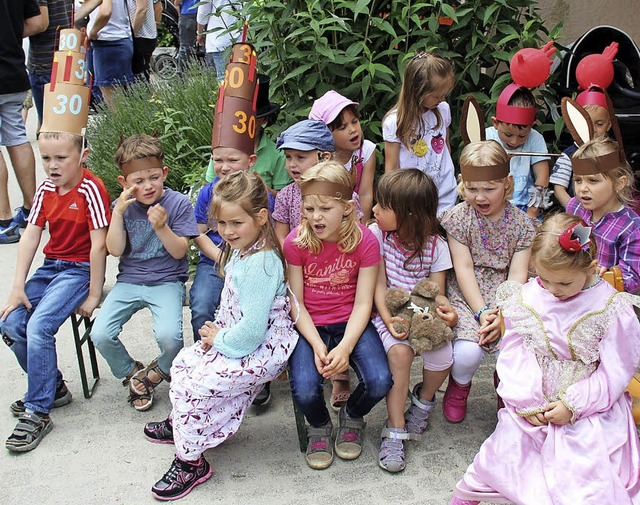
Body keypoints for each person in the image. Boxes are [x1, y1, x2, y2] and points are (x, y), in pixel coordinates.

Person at [450, 213, 640, 505]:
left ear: (590, 267)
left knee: (584, 474)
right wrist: (526, 399)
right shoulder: (528, 297)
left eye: (563, 283)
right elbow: (515, 351)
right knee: (504, 452)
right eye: (544, 279)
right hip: (532, 401)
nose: (553, 290)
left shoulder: (611, 308)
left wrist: (573, 404)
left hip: (590, 409)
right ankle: (471, 495)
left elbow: (616, 372)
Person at [143, 171, 298, 500]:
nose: (227, 232)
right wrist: (219, 336)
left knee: (199, 384)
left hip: (260, 349)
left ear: (260, 217)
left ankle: (190, 462)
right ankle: (182, 425)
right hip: (236, 337)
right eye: (221, 224)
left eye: (235, 223)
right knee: (185, 364)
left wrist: (218, 340)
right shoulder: (245, 248)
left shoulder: (261, 264)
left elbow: (253, 332)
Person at [0, 131, 111, 452]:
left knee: (39, 326)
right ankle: (54, 387)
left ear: (83, 155)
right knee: (9, 322)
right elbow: (31, 236)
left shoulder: (91, 188)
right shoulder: (46, 188)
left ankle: (38, 411)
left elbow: (99, 245)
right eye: (46, 158)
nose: (52, 165)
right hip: (51, 267)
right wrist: (17, 288)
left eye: (60, 157)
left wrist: (93, 294)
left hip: (79, 270)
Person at [285, 161, 393, 470]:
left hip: (350, 321)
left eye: (324, 209)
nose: (315, 217)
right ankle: (319, 424)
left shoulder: (365, 242)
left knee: (379, 381)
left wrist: (344, 347)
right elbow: (296, 302)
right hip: (310, 325)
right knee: (304, 388)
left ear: (346, 207)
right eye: (309, 209)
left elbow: (363, 304)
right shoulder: (296, 242)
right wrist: (319, 345)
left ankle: (353, 416)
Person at [90, 134, 199, 412]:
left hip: (166, 281)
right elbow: (114, 250)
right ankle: (132, 373)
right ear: (124, 183)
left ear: (164, 173)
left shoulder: (176, 204)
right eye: (138, 181)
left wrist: (162, 227)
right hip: (129, 280)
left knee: (170, 337)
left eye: (153, 177)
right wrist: (117, 214)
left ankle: (157, 372)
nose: (147, 186)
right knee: (100, 333)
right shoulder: (121, 208)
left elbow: (178, 253)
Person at [440, 140, 536, 424]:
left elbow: (518, 275)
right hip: (467, 293)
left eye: (489, 188)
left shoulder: (522, 225)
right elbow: (463, 267)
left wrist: (501, 313)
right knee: (468, 351)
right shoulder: (458, 219)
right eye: (472, 188)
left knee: (511, 346)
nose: (480, 197)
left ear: (507, 184)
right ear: (462, 183)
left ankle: (505, 388)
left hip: (507, 294)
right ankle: (458, 388)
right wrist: (482, 312)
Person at [371, 169, 457, 473]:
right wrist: (390, 320)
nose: (374, 210)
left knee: (445, 355)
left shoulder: (436, 245)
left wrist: (446, 312)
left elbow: (438, 293)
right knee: (400, 354)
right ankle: (394, 428)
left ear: (408, 214)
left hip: (422, 313)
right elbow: (378, 288)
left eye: (382, 206)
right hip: (388, 312)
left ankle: (423, 400)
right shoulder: (376, 235)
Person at [382, 52, 456, 216]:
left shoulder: (443, 110)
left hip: (444, 193)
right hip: (413, 199)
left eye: (444, 94)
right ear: (417, 91)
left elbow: (446, 148)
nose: (442, 98)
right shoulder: (394, 122)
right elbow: (392, 168)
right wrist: (391, 204)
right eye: (437, 95)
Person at [566, 137, 640, 293]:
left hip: (607, 301)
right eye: (578, 180)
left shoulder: (631, 227)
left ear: (619, 183)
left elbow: (632, 278)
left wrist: (607, 276)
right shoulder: (575, 207)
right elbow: (566, 244)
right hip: (569, 290)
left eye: (593, 181)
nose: (582, 188)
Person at [204, 75, 291, 193]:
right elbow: (208, 186)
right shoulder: (222, 149)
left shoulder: (277, 155)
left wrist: (258, 187)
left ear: (264, 119)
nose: (242, 124)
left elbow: (282, 199)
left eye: (250, 119)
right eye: (236, 118)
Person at [0, 0, 41, 244]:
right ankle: (31, 209)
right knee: (17, 136)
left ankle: (3, 220)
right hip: (14, 69)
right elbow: (36, 21)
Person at [486, 85, 550, 219]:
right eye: (508, 134)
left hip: (526, 208)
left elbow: (542, 178)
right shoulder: (486, 138)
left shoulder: (535, 138)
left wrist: (532, 214)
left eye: (522, 136)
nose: (514, 141)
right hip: (490, 207)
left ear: (532, 126)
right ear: (496, 123)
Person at [310, 90, 375, 220]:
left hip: (355, 219)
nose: (352, 130)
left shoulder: (366, 150)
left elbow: (365, 194)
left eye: (354, 121)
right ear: (325, 135)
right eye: (342, 127)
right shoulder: (319, 160)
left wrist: (363, 228)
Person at [272, 119, 334, 245]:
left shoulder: (339, 191)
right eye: (288, 157)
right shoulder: (285, 195)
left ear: (324, 157)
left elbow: (354, 231)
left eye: (300, 157)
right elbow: (281, 237)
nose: (292, 164)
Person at [551, 88, 612, 208]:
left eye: (599, 124)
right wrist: (575, 211)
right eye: (586, 123)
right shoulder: (568, 156)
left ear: (608, 125)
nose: (592, 129)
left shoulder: (611, 153)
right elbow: (559, 189)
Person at [75, 0, 135, 105]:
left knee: (114, 103)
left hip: (110, 41)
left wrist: (93, 32)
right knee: (100, 93)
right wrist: (72, 20)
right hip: (108, 41)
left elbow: (105, 12)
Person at [27, 0, 73, 129]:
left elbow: (40, 24)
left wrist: (10, 35)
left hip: (44, 61)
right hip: (66, 57)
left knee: (50, 131)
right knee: (66, 128)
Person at [196, 0, 240, 81]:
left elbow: (204, 10)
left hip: (220, 37)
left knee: (224, 79)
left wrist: (200, 33)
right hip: (241, 38)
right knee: (241, 79)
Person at [126, 0, 159, 81]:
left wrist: (131, 35)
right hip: (142, 36)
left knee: (140, 77)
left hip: (141, 36)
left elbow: (142, 10)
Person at [174, 0, 198, 71]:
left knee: (185, 47)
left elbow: (177, 2)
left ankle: (182, 74)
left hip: (188, 13)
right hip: (206, 13)